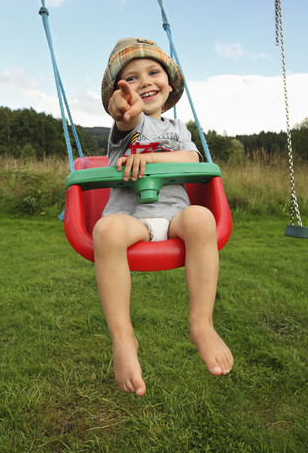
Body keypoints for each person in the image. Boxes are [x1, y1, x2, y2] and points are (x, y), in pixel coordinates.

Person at [93, 38, 233, 396]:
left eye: (154, 73)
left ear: (170, 87)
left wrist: (152, 160)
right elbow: (129, 119)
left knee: (202, 218)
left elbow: (191, 160)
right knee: (105, 231)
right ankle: (123, 339)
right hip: (131, 220)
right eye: (132, 79)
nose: (145, 82)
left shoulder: (177, 130)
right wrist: (124, 112)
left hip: (174, 216)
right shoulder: (125, 127)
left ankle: (201, 323)